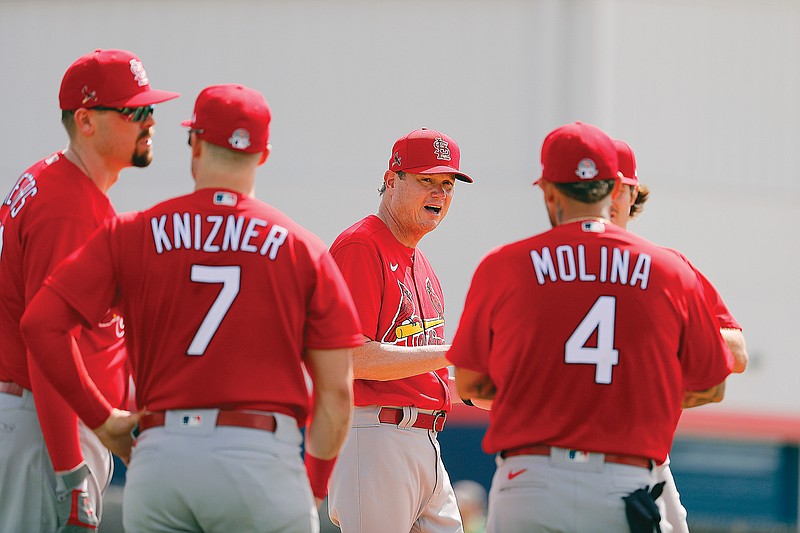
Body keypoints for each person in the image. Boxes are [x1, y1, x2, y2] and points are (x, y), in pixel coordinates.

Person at [20, 83, 362, 532]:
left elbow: (41, 323)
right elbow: (336, 394)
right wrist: (312, 488)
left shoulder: (133, 231)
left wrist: (102, 421)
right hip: (260, 456)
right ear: (263, 155)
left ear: (195, 144)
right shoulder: (304, 248)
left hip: (164, 457)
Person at [447, 121, 734, 533]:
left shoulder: (504, 264)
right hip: (624, 483)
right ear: (615, 187)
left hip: (530, 479)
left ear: (547, 190)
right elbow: (713, 385)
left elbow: (472, 384)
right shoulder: (671, 270)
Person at [0, 48, 178, 532]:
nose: (149, 122)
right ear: (86, 120)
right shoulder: (67, 208)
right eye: (133, 111)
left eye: (151, 110)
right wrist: (68, 469)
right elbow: (45, 338)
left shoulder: (58, 181)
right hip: (47, 429)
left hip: (47, 424)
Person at [326, 127, 473, 533]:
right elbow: (351, 358)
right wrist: (457, 349)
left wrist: (494, 391)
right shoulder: (361, 246)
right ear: (392, 180)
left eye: (447, 184)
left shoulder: (421, 264)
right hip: (374, 434)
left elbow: (428, 374)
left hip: (424, 439)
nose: (440, 193)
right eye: (426, 180)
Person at [611, 138, 748, 533]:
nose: (613, 197)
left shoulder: (664, 268)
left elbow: (736, 351)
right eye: (605, 185)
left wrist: (662, 334)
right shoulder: (551, 265)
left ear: (634, 194)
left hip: (646, 459)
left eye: (623, 187)